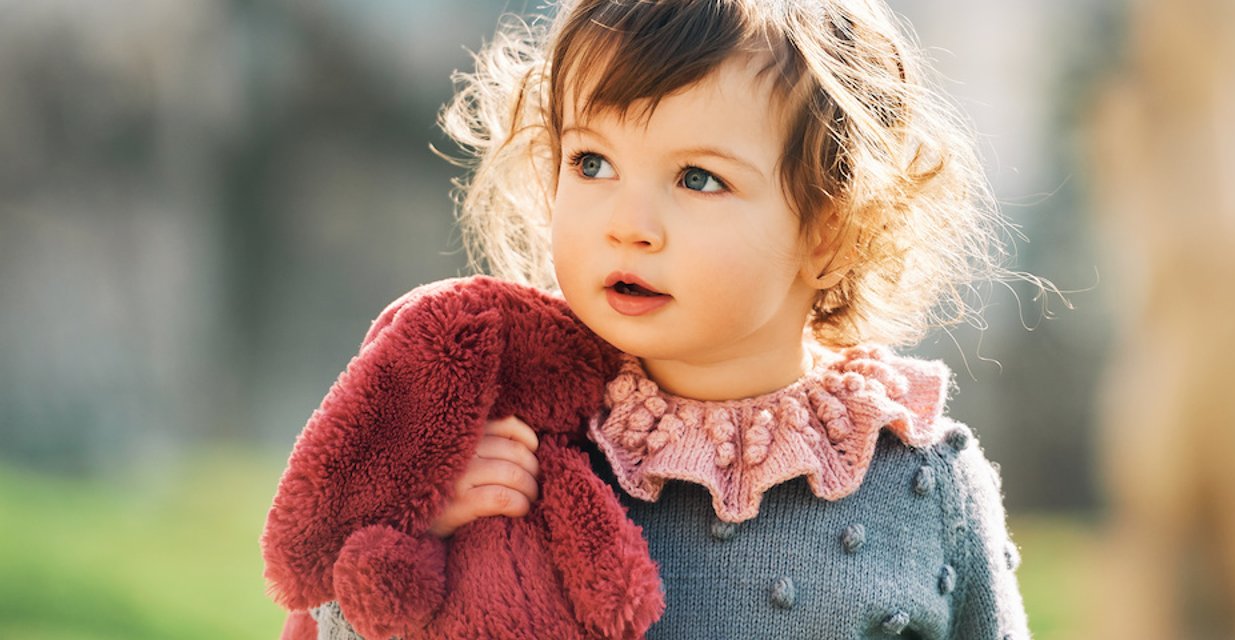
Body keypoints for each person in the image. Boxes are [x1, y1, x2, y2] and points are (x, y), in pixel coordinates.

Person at [267, 0, 1034, 637]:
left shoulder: (925, 485)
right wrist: (419, 540)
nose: (628, 223)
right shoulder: (512, 443)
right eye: (591, 162)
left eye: (698, 178)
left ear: (831, 230)